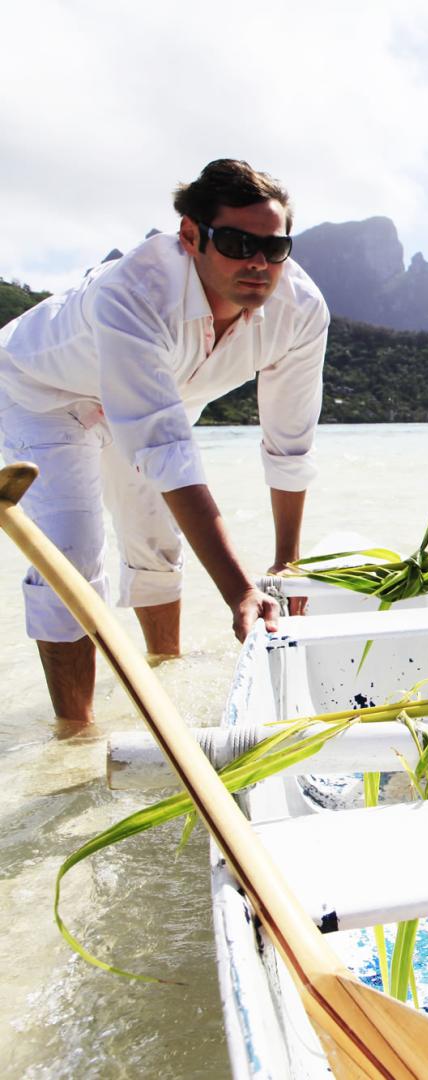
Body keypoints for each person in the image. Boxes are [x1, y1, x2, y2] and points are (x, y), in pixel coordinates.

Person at [0, 159, 328, 734]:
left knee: (157, 547)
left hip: (161, 395)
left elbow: (290, 443)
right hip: (44, 394)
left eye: (273, 248)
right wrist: (240, 591)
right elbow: (166, 452)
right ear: (190, 236)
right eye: (236, 242)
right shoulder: (133, 291)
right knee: (73, 558)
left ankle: (163, 678)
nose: (257, 262)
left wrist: (285, 563)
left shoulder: (300, 311)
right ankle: (75, 736)